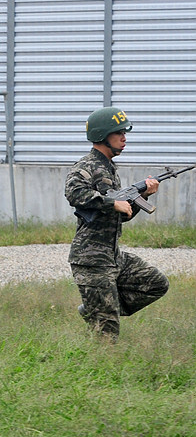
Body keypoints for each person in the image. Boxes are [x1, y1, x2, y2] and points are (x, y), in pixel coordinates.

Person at [64, 106, 169, 341]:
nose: (124, 138)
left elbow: (121, 216)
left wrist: (144, 196)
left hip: (112, 255)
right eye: (118, 133)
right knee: (107, 337)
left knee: (156, 284)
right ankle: (101, 313)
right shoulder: (87, 166)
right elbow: (74, 193)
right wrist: (112, 203)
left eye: (125, 133)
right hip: (91, 259)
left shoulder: (110, 168)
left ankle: (97, 309)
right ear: (103, 135)